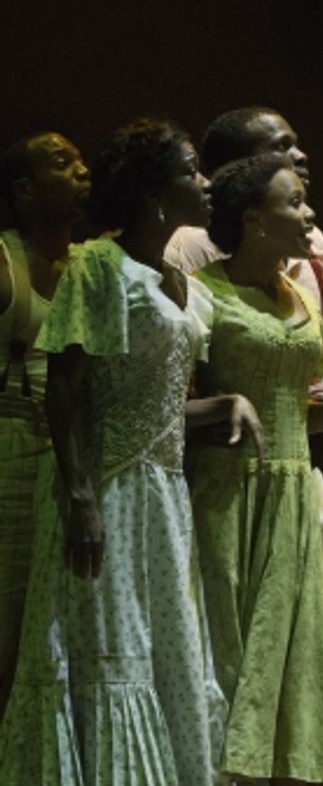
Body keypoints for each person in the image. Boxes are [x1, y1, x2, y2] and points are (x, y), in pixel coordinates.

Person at [0, 118, 234, 784]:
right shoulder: (102, 267)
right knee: (107, 648)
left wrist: (223, 407)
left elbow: (159, 399)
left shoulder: (188, 287)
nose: (205, 182)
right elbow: (64, 390)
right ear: (154, 191)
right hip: (107, 487)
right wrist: (79, 495)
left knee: (171, 650)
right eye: (191, 170)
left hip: (165, 495)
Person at [187, 154, 323, 783]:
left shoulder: (302, 293)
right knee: (231, 644)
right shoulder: (206, 294)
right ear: (255, 219)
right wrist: (219, 407)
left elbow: (287, 411)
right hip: (228, 493)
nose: (308, 214)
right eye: (295, 202)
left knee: (289, 652)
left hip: (290, 491)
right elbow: (171, 402)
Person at [166, 106, 323, 477]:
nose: (300, 155)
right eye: (281, 146)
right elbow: (175, 379)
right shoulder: (192, 251)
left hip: (294, 458)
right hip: (222, 460)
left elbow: (320, 375)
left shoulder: (315, 249)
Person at [0, 132, 89, 717]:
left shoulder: (91, 264)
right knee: (9, 627)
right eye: (63, 162)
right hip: (14, 446)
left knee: (64, 630)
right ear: (25, 191)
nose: (81, 168)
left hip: (77, 456)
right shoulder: (6, 261)